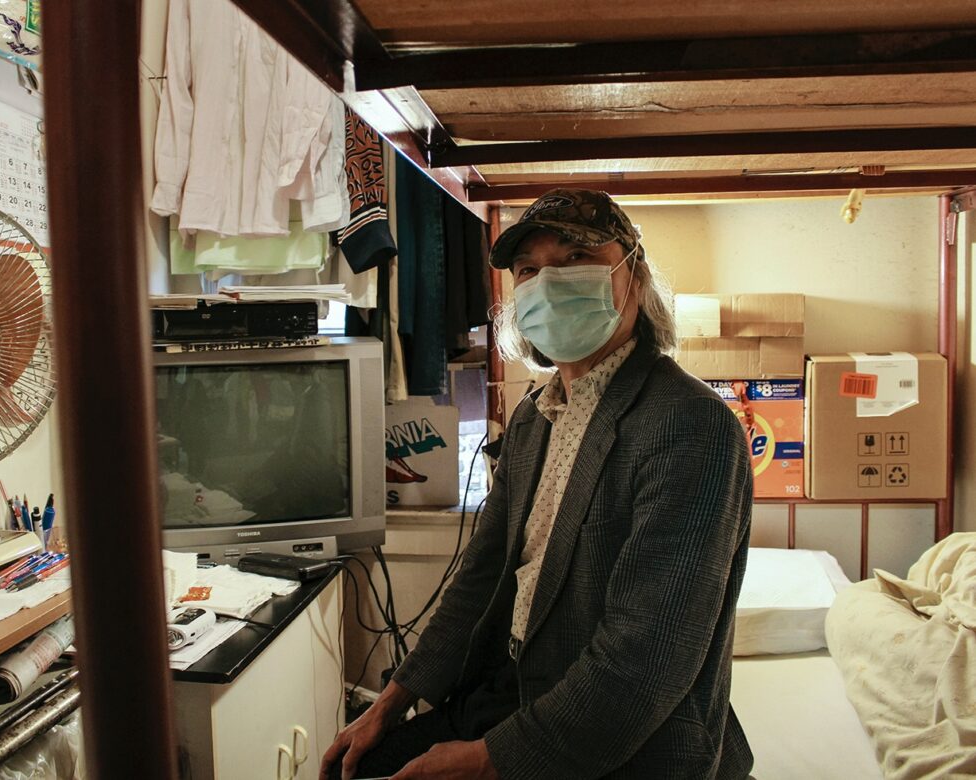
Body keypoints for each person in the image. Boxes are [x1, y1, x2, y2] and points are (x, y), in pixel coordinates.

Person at [320, 189, 754, 779]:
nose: (549, 281)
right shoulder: (533, 416)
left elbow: (649, 653)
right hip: (512, 689)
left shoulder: (690, 424)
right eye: (530, 270)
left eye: (576, 258)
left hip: (626, 737)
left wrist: (490, 761)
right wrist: (392, 699)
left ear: (633, 274)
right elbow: (481, 574)